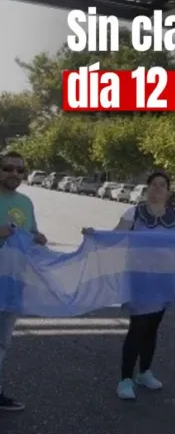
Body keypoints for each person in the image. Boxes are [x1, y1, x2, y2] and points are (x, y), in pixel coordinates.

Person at [82, 172, 175, 400]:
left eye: (162, 185)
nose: (158, 189)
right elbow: (116, 236)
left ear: (168, 191)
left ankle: (144, 372)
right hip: (141, 279)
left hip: (165, 279)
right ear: (147, 188)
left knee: (153, 328)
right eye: (153, 184)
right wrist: (95, 235)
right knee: (138, 328)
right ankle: (125, 379)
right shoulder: (133, 213)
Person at [0, 151, 47, 412]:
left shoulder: (26, 202)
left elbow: (31, 233)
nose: (14, 174)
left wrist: (38, 237)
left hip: (13, 283)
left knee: (2, 342)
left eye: (20, 170)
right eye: (8, 168)